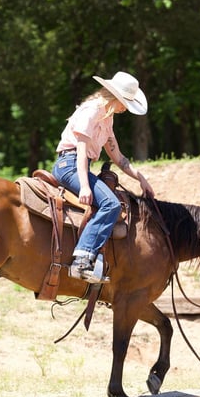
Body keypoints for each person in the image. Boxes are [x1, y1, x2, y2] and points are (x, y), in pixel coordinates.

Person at [52, 71, 155, 283]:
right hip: (69, 165)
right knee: (111, 204)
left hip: (79, 165)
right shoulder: (91, 111)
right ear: (116, 97)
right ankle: (82, 260)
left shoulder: (107, 119)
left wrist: (140, 178)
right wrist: (84, 186)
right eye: (126, 102)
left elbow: (118, 157)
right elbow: (80, 150)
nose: (126, 108)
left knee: (109, 201)